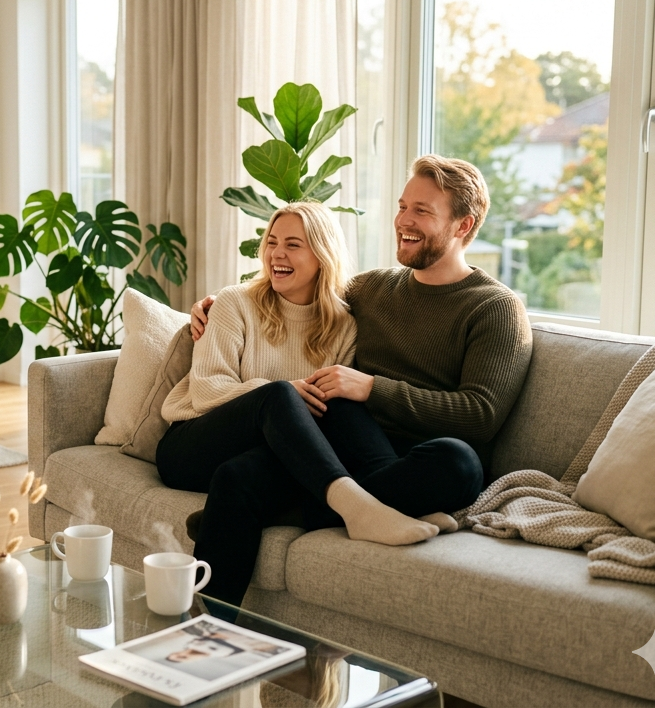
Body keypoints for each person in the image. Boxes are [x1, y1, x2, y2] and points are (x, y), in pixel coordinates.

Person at [188, 155, 532, 605]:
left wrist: (373, 388)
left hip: (416, 456)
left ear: (463, 225)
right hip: (337, 445)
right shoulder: (371, 289)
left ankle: (313, 508)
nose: (403, 221)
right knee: (237, 476)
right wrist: (213, 306)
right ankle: (203, 643)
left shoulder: (494, 308)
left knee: (460, 462)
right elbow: (297, 287)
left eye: (422, 211)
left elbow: (481, 415)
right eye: (402, 205)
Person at [157, 201, 450, 606]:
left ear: (321, 255)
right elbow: (206, 392)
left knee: (242, 476)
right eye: (272, 242)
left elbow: (327, 420)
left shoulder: (344, 325)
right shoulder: (233, 303)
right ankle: (362, 507)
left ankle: (208, 629)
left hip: (261, 453)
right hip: (192, 443)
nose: (277, 253)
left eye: (293, 245)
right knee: (279, 394)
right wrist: (284, 391)